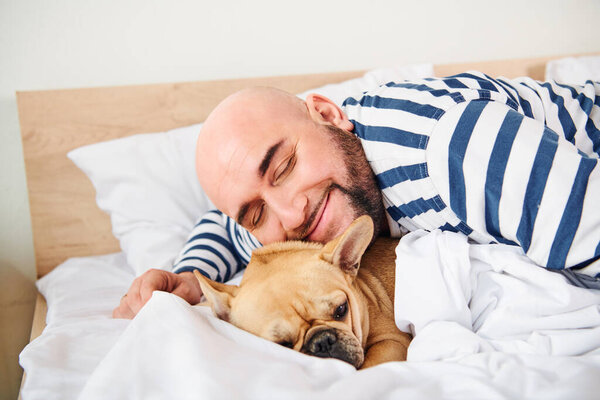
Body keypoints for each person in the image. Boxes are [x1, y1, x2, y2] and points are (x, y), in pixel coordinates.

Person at [113, 72, 600, 319]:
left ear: (328, 115)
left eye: (283, 167)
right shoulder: (283, 222)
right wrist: (188, 277)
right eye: (256, 213)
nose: (290, 214)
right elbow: (220, 228)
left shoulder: (453, 147)